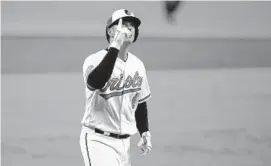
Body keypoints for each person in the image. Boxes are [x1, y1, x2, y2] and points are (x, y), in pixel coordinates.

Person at [79, 9, 152, 166]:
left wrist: (144, 131)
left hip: (124, 144)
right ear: (110, 31)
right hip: (98, 140)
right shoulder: (94, 60)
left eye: (132, 26)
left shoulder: (137, 65)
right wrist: (116, 45)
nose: (129, 28)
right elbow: (96, 82)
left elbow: (139, 102)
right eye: (124, 24)